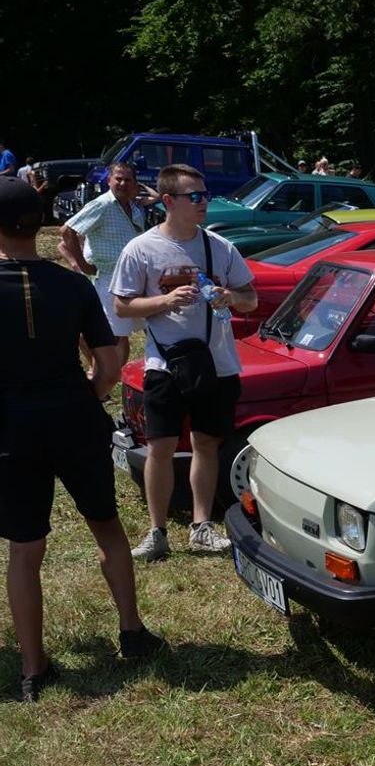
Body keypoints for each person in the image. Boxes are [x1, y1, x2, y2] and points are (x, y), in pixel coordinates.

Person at [0, 178, 162, 699]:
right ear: (39, 223)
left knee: (25, 549)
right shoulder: (73, 285)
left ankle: (34, 668)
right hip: (74, 418)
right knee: (107, 526)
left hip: (12, 428)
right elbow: (109, 365)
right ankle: (132, 631)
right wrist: (84, 399)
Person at [111, 164, 258, 561]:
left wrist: (231, 297)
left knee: (206, 444)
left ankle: (201, 527)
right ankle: (157, 533)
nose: (203, 202)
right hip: (165, 365)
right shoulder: (141, 249)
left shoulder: (220, 247)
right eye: (194, 196)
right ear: (168, 201)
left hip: (217, 364)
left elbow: (251, 299)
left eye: (205, 194)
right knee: (159, 447)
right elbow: (122, 306)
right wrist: (165, 300)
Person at [59, 161, 149, 374]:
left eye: (128, 179)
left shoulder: (133, 207)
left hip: (135, 278)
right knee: (111, 336)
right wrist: (82, 265)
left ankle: (115, 374)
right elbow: (67, 231)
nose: (123, 183)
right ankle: (101, 375)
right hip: (110, 279)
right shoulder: (102, 205)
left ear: (134, 183)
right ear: (109, 180)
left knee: (143, 328)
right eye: (118, 179)